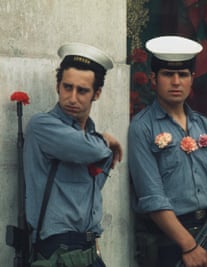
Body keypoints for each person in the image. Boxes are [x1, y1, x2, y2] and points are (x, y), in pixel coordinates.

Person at [128, 36, 207, 267]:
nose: (176, 81)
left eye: (183, 75)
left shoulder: (202, 124)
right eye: (168, 74)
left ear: (192, 79)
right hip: (173, 244)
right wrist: (189, 246)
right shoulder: (142, 128)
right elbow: (152, 199)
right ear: (153, 79)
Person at [24, 43, 123, 266]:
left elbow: (92, 191)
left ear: (96, 94)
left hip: (88, 249)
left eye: (82, 90)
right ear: (57, 86)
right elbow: (94, 149)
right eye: (67, 87)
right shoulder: (43, 126)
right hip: (57, 250)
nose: (72, 97)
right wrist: (105, 140)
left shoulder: (90, 136)